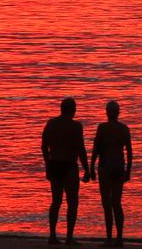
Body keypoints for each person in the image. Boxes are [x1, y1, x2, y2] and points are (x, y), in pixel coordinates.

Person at [42, 97, 90, 244]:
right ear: (73, 110)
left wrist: (48, 163)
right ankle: (69, 237)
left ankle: (52, 235)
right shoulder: (76, 126)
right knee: (72, 202)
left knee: (56, 201)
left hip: (55, 165)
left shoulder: (51, 124)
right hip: (69, 166)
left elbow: (44, 146)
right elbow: (80, 149)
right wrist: (87, 169)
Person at [90, 101, 132, 246]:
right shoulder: (124, 129)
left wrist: (91, 168)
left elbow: (96, 149)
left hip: (105, 168)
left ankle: (109, 238)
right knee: (117, 203)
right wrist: (128, 171)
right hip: (119, 167)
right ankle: (119, 237)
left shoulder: (102, 128)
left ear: (107, 112)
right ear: (118, 113)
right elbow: (130, 152)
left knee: (107, 204)